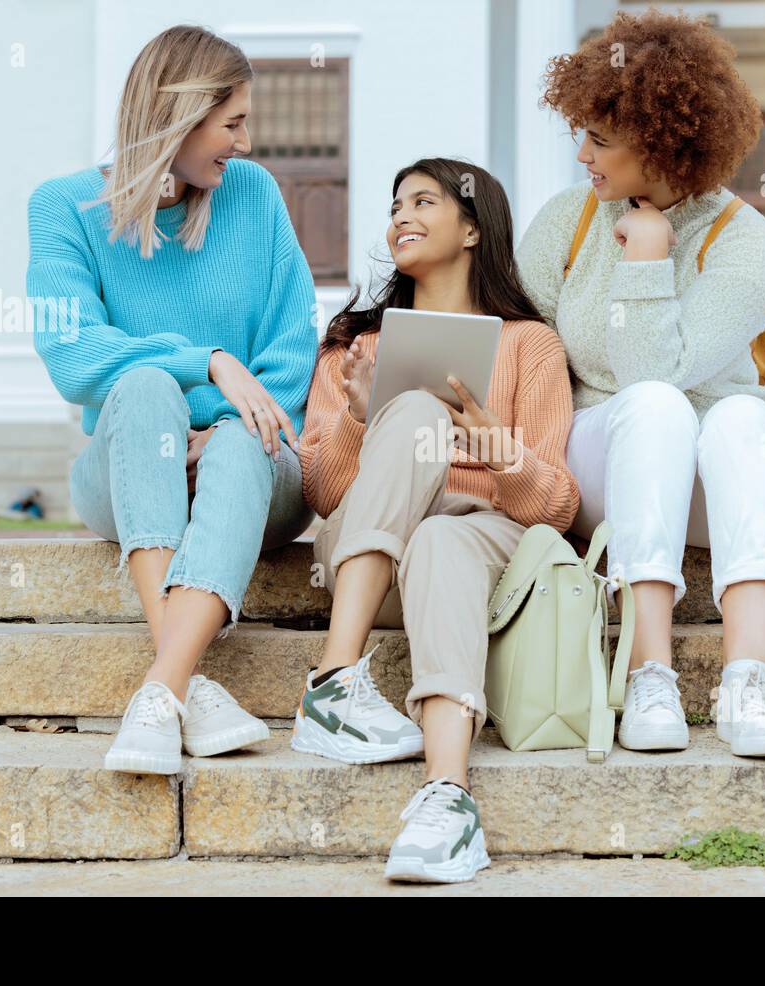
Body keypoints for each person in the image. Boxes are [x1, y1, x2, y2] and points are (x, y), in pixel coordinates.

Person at [26, 25, 317, 774]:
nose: (244, 143)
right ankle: (185, 680)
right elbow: (73, 357)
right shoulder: (63, 207)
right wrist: (209, 362)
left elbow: (289, 353)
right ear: (179, 116)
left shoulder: (253, 197)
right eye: (232, 123)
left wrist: (219, 427)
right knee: (146, 384)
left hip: (254, 466)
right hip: (127, 467)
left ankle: (163, 688)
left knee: (235, 437)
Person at [517, 9, 765, 757]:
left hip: (708, 477)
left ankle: (750, 683)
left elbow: (661, 370)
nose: (581, 153)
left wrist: (647, 260)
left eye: (601, 140)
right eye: (580, 132)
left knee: (744, 418)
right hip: (601, 463)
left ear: (666, 145)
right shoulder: (565, 224)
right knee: (651, 411)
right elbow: (531, 349)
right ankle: (650, 674)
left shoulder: (747, 242)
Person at [295, 158, 580, 882]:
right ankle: (335, 680)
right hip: (372, 558)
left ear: (474, 227)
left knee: (445, 535)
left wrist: (497, 451)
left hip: (477, 543)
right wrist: (364, 419)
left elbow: (558, 506)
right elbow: (324, 491)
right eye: (395, 205)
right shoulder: (355, 343)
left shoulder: (530, 344)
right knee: (415, 408)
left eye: (422, 201)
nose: (400, 217)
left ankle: (447, 797)